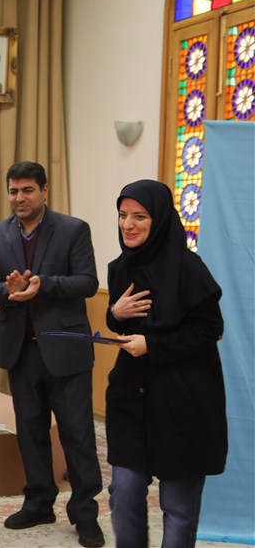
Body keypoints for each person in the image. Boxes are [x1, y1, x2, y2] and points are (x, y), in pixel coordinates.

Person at [0, 161, 104, 548]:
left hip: (65, 349)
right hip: (21, 351)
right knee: (30, 432)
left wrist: (41, 284)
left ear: (45, 190)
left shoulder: (73, 229)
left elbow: (87, 282)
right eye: (13, 191)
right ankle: (39, 503)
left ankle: (85, 514)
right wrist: (8, 291)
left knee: (77, 434)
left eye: (27, 190)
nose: (19, 198)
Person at [105, 180, 227, 548]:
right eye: (123, 215)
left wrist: (153, 345)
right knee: (123, 492)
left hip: (182, 401)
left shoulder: (189, 268)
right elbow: (123, 323)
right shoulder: (119, 268)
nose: (128, 224)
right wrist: (114, 314)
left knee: (178, 507)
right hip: (131, 397)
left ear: (159, 220)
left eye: (139, 216)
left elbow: (210, 329)